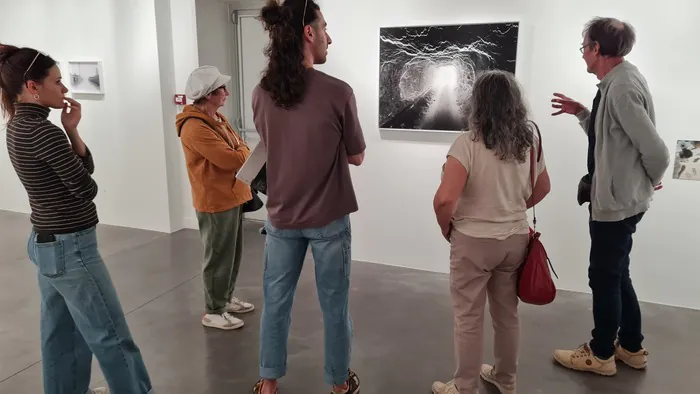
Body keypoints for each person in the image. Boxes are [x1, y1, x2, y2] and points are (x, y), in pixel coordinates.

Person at [0, 44, 153, 394]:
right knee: (113, 338)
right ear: (32, 86)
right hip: (72, 250)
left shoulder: (18, 126)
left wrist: (72, 130)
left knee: (61, 337)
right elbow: (87, 186)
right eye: (57, 81)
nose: (65, 89)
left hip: (47, 245)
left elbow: (81, 175)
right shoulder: (43, 132)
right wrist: (68, 134)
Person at [251, 0, 366, 393]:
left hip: (281, 218)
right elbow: (357, 155)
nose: (329, 37)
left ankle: (268, 383)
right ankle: (338, 384)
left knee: (275, 303)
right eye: (325, 27)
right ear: (308, 32)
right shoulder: (338, 92)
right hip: (328, 219)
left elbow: (268, 147)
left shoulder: (261, 93)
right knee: (335, 306)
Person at [551, 17, 670, 376]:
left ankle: (601, 354)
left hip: (616, 207)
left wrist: (648, 180)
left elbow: (658, 152)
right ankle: (631, 347)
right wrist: (582, 113)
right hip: (621, 201)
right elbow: (610, 136)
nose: (583, 54)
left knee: (603, 277)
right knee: (618, 275)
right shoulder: (618, 82)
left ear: (597, 49)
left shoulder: (620, 88)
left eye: (584, 47)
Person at [431, 70, 551, 394]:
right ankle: (505, 379)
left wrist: (447, 226)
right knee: (506, 314)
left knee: (468, 318)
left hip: (473, 241)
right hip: (515, 240)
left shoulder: (467, 143)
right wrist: (510, 208)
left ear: (477, 104)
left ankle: (465, 387)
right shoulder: (529, 142)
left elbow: (445, 199)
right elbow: (543, 187)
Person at [176, 65, 254, 331]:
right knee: (218, 256)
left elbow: (238, 150)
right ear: (209, 94)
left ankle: (225, 299)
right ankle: (213, 311)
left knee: (232, 255)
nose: (227, 93)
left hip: (231, 196)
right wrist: (243, 150)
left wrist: (240, 149)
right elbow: (230, 158)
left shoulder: (218, 119)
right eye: (222, 89)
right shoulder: (194, 127)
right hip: (215, 200)